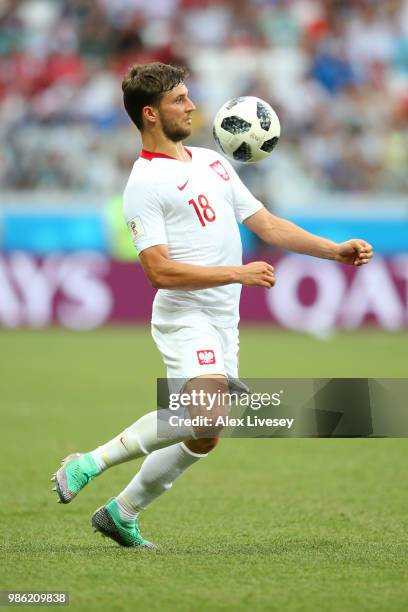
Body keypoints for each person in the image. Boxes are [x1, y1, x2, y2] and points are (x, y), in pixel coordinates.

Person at [51, 62, 373, 548]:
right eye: (179, 100)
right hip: (185, 314)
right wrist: (237, 273)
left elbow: (266, 224)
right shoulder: (143, 184)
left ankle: (122, 511)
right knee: (206, 416)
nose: (192, 106)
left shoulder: (212, 162)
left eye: (188, 96)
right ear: (150, 114)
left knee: (205, 434)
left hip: (225, 319)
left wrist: (335, 250)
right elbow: (158, 271)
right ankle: (87, 463)